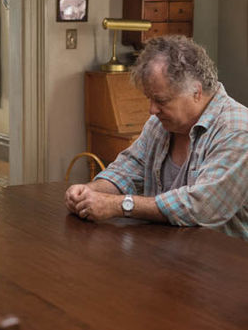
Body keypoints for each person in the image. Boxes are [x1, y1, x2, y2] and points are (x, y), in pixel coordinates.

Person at [65, 35, 248, 240]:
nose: (152, 110)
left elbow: (202, 206)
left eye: (161, 100)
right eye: (149, 99)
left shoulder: (237, 130)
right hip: (166, 250)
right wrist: (88, 193)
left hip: (224, 256)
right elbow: (129, 168)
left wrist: (120, 205)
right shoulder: (160, 124)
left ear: (196, 92)